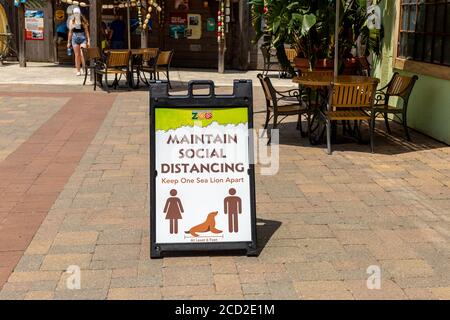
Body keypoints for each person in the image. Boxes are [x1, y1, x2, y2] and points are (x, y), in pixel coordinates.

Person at [67, 7, 90, 76]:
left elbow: (86, 31)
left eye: (77, 13)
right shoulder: (72, 21)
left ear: (79, 13)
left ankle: (84, 68)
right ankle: (78, 70)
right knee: (77, 55)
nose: (76, 14)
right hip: (75, 38)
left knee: (83, 54)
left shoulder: (83, 20)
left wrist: (88, 40)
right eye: (75, 13)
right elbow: (70, 32)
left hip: (83, 38)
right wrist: (68, 42)